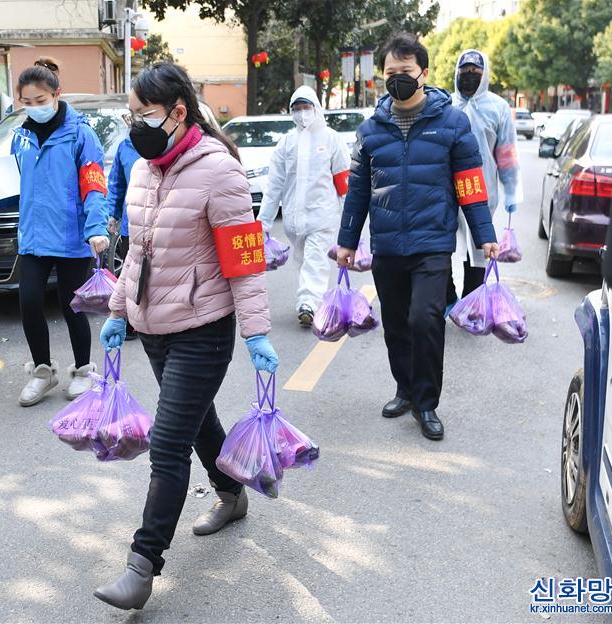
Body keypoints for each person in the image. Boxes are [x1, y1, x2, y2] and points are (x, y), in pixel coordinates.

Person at [95, 61, 278, 611]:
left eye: (144, 115)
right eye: (131, 115)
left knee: (169, 444)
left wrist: (257, 334)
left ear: (178, 113)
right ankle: (231, 494)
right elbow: (138, 255)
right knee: (198, 423)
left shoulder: (219, 171)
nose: (136, 126)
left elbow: (244, 262)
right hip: (155, 327)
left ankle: (142, 565)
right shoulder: (147, 168)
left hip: (203, 329)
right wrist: (117, 311)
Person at [336, 33, 499, 441]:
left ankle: (426, 403)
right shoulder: (371, 129)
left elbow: (470, 185)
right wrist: (347, 241)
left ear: (423, 73)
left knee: (425, 318)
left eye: (405, 72)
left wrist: (485, 235)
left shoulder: (452, 123)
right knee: (395, 324)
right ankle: (405, 389)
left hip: (432, 242)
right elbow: (357, 191)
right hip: (388, 243)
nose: (397, 80)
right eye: (390, 73)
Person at [0, 57, 110, 407]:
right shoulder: (19, 137)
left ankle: (83, 370)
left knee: (72, 308)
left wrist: (96, 228)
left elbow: (94, 186)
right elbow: (19, 189)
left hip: (71, 237)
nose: (34, 108)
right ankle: (42, 371)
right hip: (34, 237)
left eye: (41, 101)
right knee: (30, 303)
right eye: (27, 102)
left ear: (56, 94)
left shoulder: (82, 134)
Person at [258, 86, 351, 327]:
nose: (302, 113)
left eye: (306, 107)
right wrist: (264, 222)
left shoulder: (331, 138)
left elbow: (344, 181)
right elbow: (274, 186)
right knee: (302, 261)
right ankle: (311, 299)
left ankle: (307, 303)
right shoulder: (286, 143)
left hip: (323, 216)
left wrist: (350, 220)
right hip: (293, 220)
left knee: (315, 259)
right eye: (297, 109)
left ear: (316, 108)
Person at [446, 49, 523, 309]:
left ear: (484, 75)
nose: (469, 77)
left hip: (482, 191)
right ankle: (446, 296)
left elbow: (506, 154)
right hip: (445, 191)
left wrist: (511, 191)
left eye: (475, 73)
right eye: (464, 72)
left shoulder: (498, 108)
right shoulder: (445, 105)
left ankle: (471, 299)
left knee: (478, 247)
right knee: (442, 244)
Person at [105, 130, 141, 340]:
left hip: (164, 224)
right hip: (132, 225)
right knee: (131, 277)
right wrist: (113, 214)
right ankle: (130, 322)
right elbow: (117, 184)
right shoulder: (125, 146)